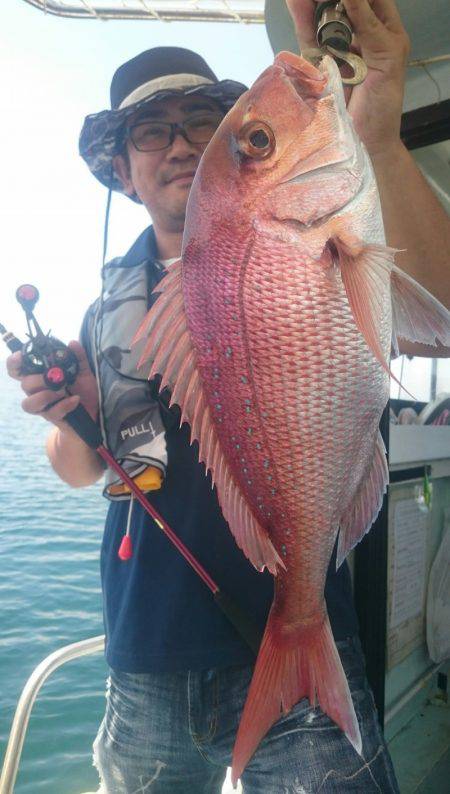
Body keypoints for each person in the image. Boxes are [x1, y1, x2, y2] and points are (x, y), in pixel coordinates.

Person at [6, 1, 450, 791]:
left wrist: (376, 133)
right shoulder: (107, 311)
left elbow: (442, 313)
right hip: (142, 658)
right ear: (121, 167)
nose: (179, 144)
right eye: (151, 131)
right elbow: (79, 470)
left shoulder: (333, 230)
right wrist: (71, 411)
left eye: (206, 121)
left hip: (298, 629)